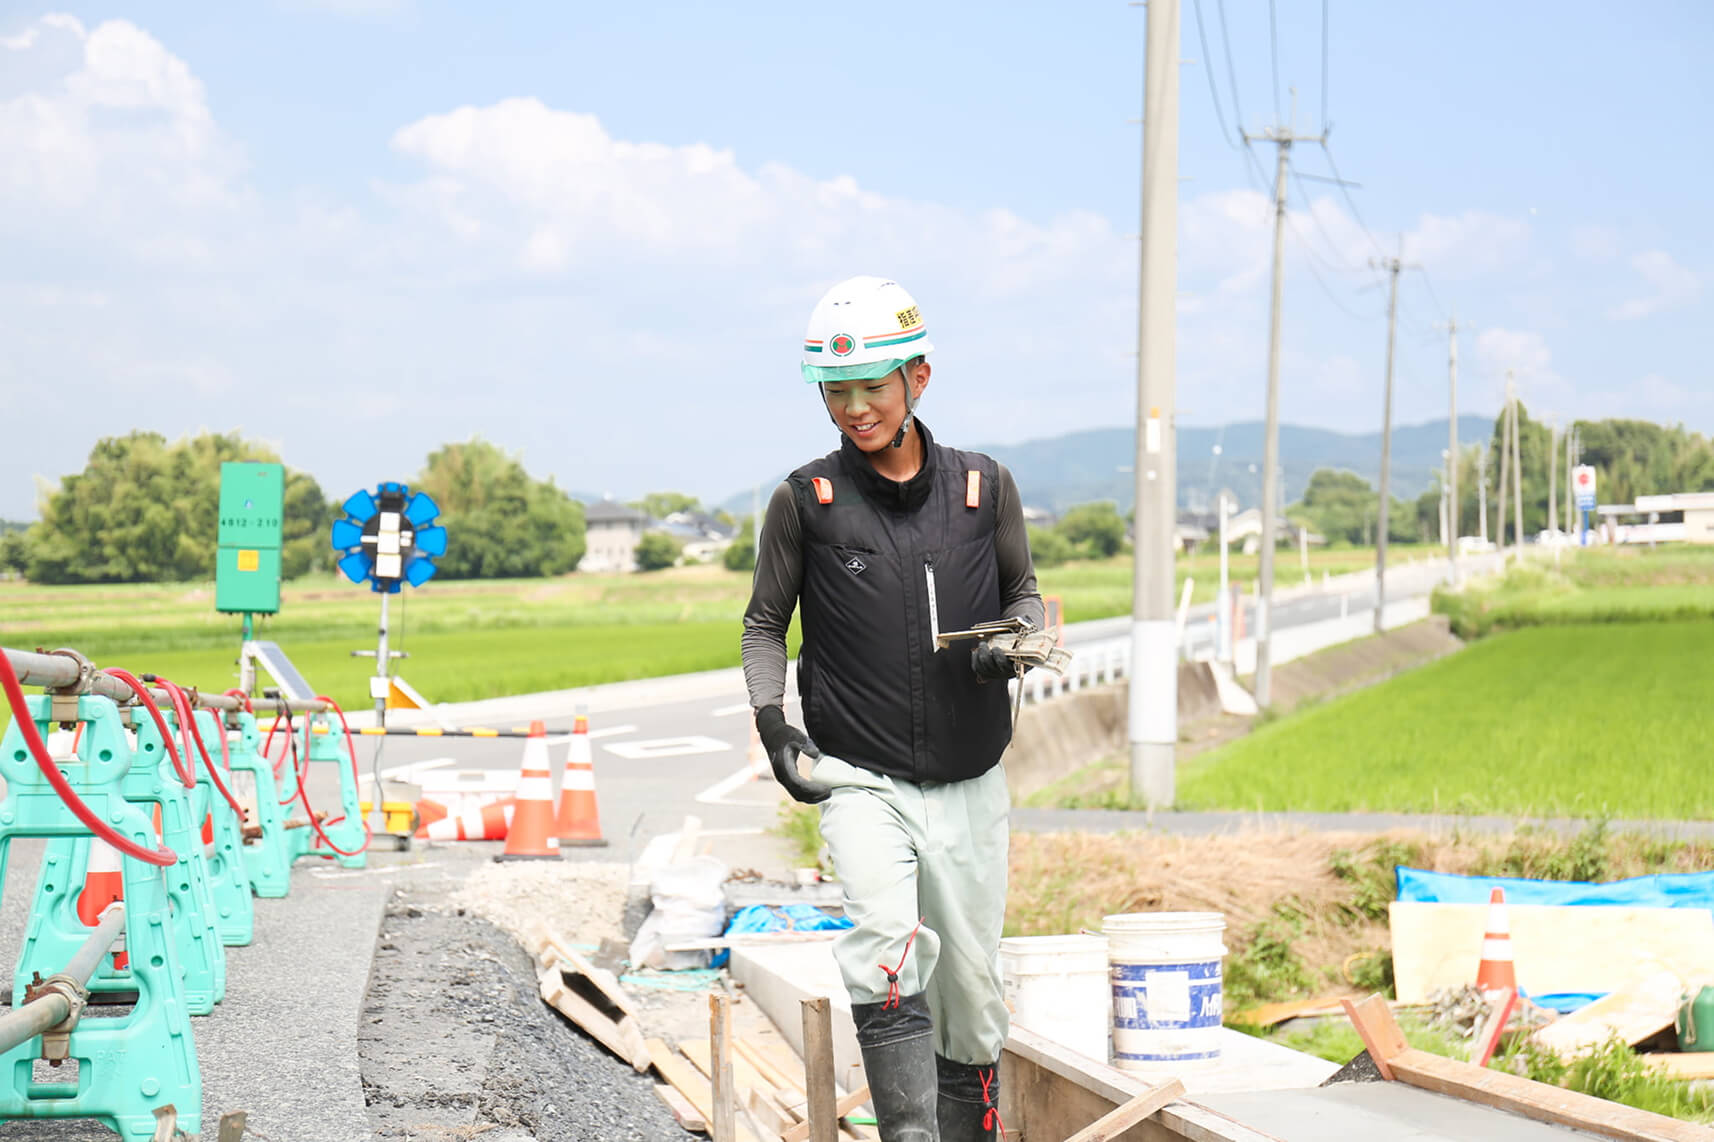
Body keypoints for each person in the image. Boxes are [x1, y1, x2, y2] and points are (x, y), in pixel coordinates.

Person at [741, 275, 1045, 1141]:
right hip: (861, 778)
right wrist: (773, 723)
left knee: (971, 993)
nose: (854, 409)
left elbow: (1024, 593)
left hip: (970, 784)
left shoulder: (985, 488)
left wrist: (1010, 644)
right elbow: (764, 625)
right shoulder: (807, 501)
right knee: (884, 943)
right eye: (835, 391)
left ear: (919, 377)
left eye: (871, 387)